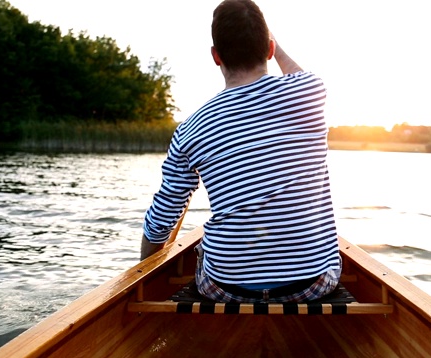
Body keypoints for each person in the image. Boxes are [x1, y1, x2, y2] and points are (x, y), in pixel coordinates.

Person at [140, 0, 340, 303]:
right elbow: (297, 73)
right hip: (311, 286)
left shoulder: (190, 129)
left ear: (215, 57)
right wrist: (274, 43)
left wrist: (142, 274)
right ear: (270, 50)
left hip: (226, 290)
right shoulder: (309, 92)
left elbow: (162, 219)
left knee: (205, 249)